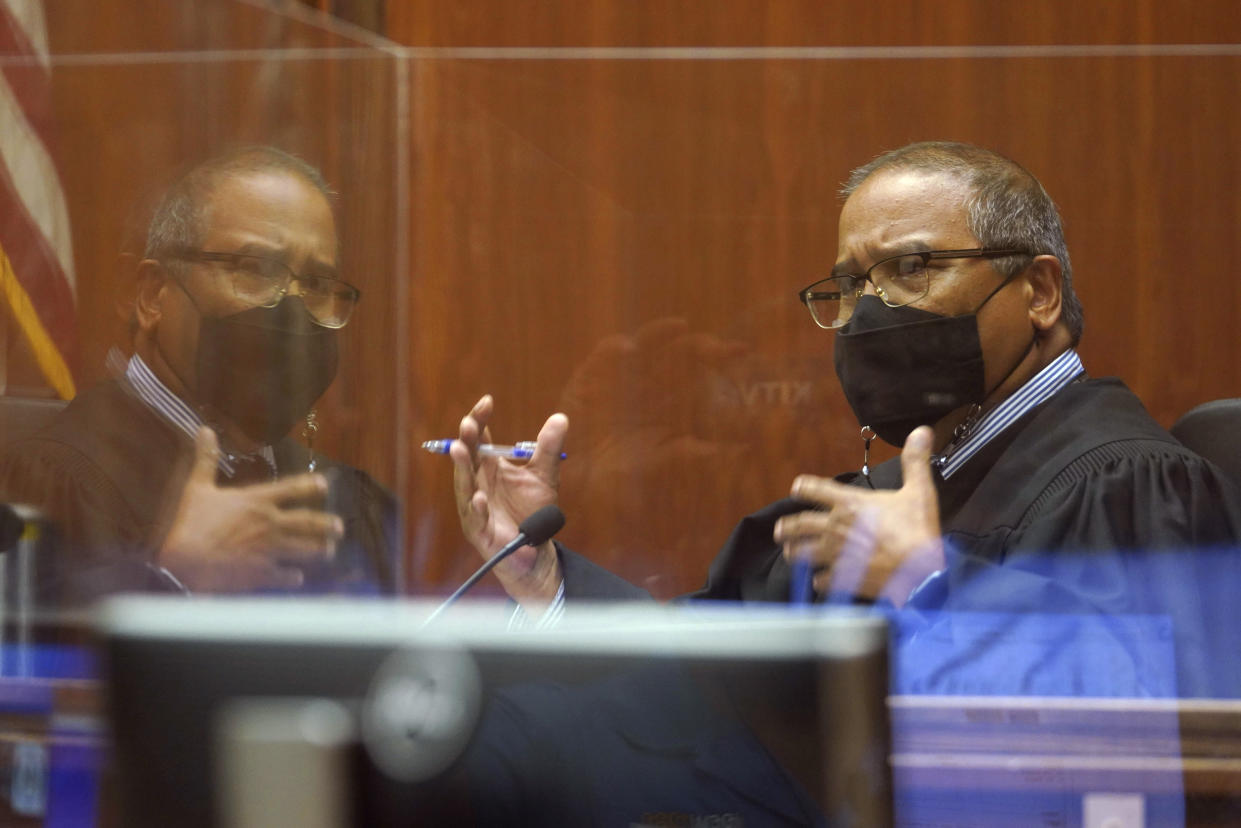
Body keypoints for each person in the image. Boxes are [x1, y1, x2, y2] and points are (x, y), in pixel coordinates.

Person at [447, 142, 1241, 693]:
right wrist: (544, 580)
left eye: (911, 268)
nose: (869, 313)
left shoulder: (1130, 480)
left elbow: (1170, 737)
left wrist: (930, 581)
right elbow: (708, 678)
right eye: (850, 287)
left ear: (1036, 292)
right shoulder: (889, 497)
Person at [0, 146, 396, 605]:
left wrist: (501, 566)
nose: (293, 310)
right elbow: (31, 661)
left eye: (318, 285)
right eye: (256, 269)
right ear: (151, 296)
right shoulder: (60, 478)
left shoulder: (348, 501)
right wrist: (174, 578)